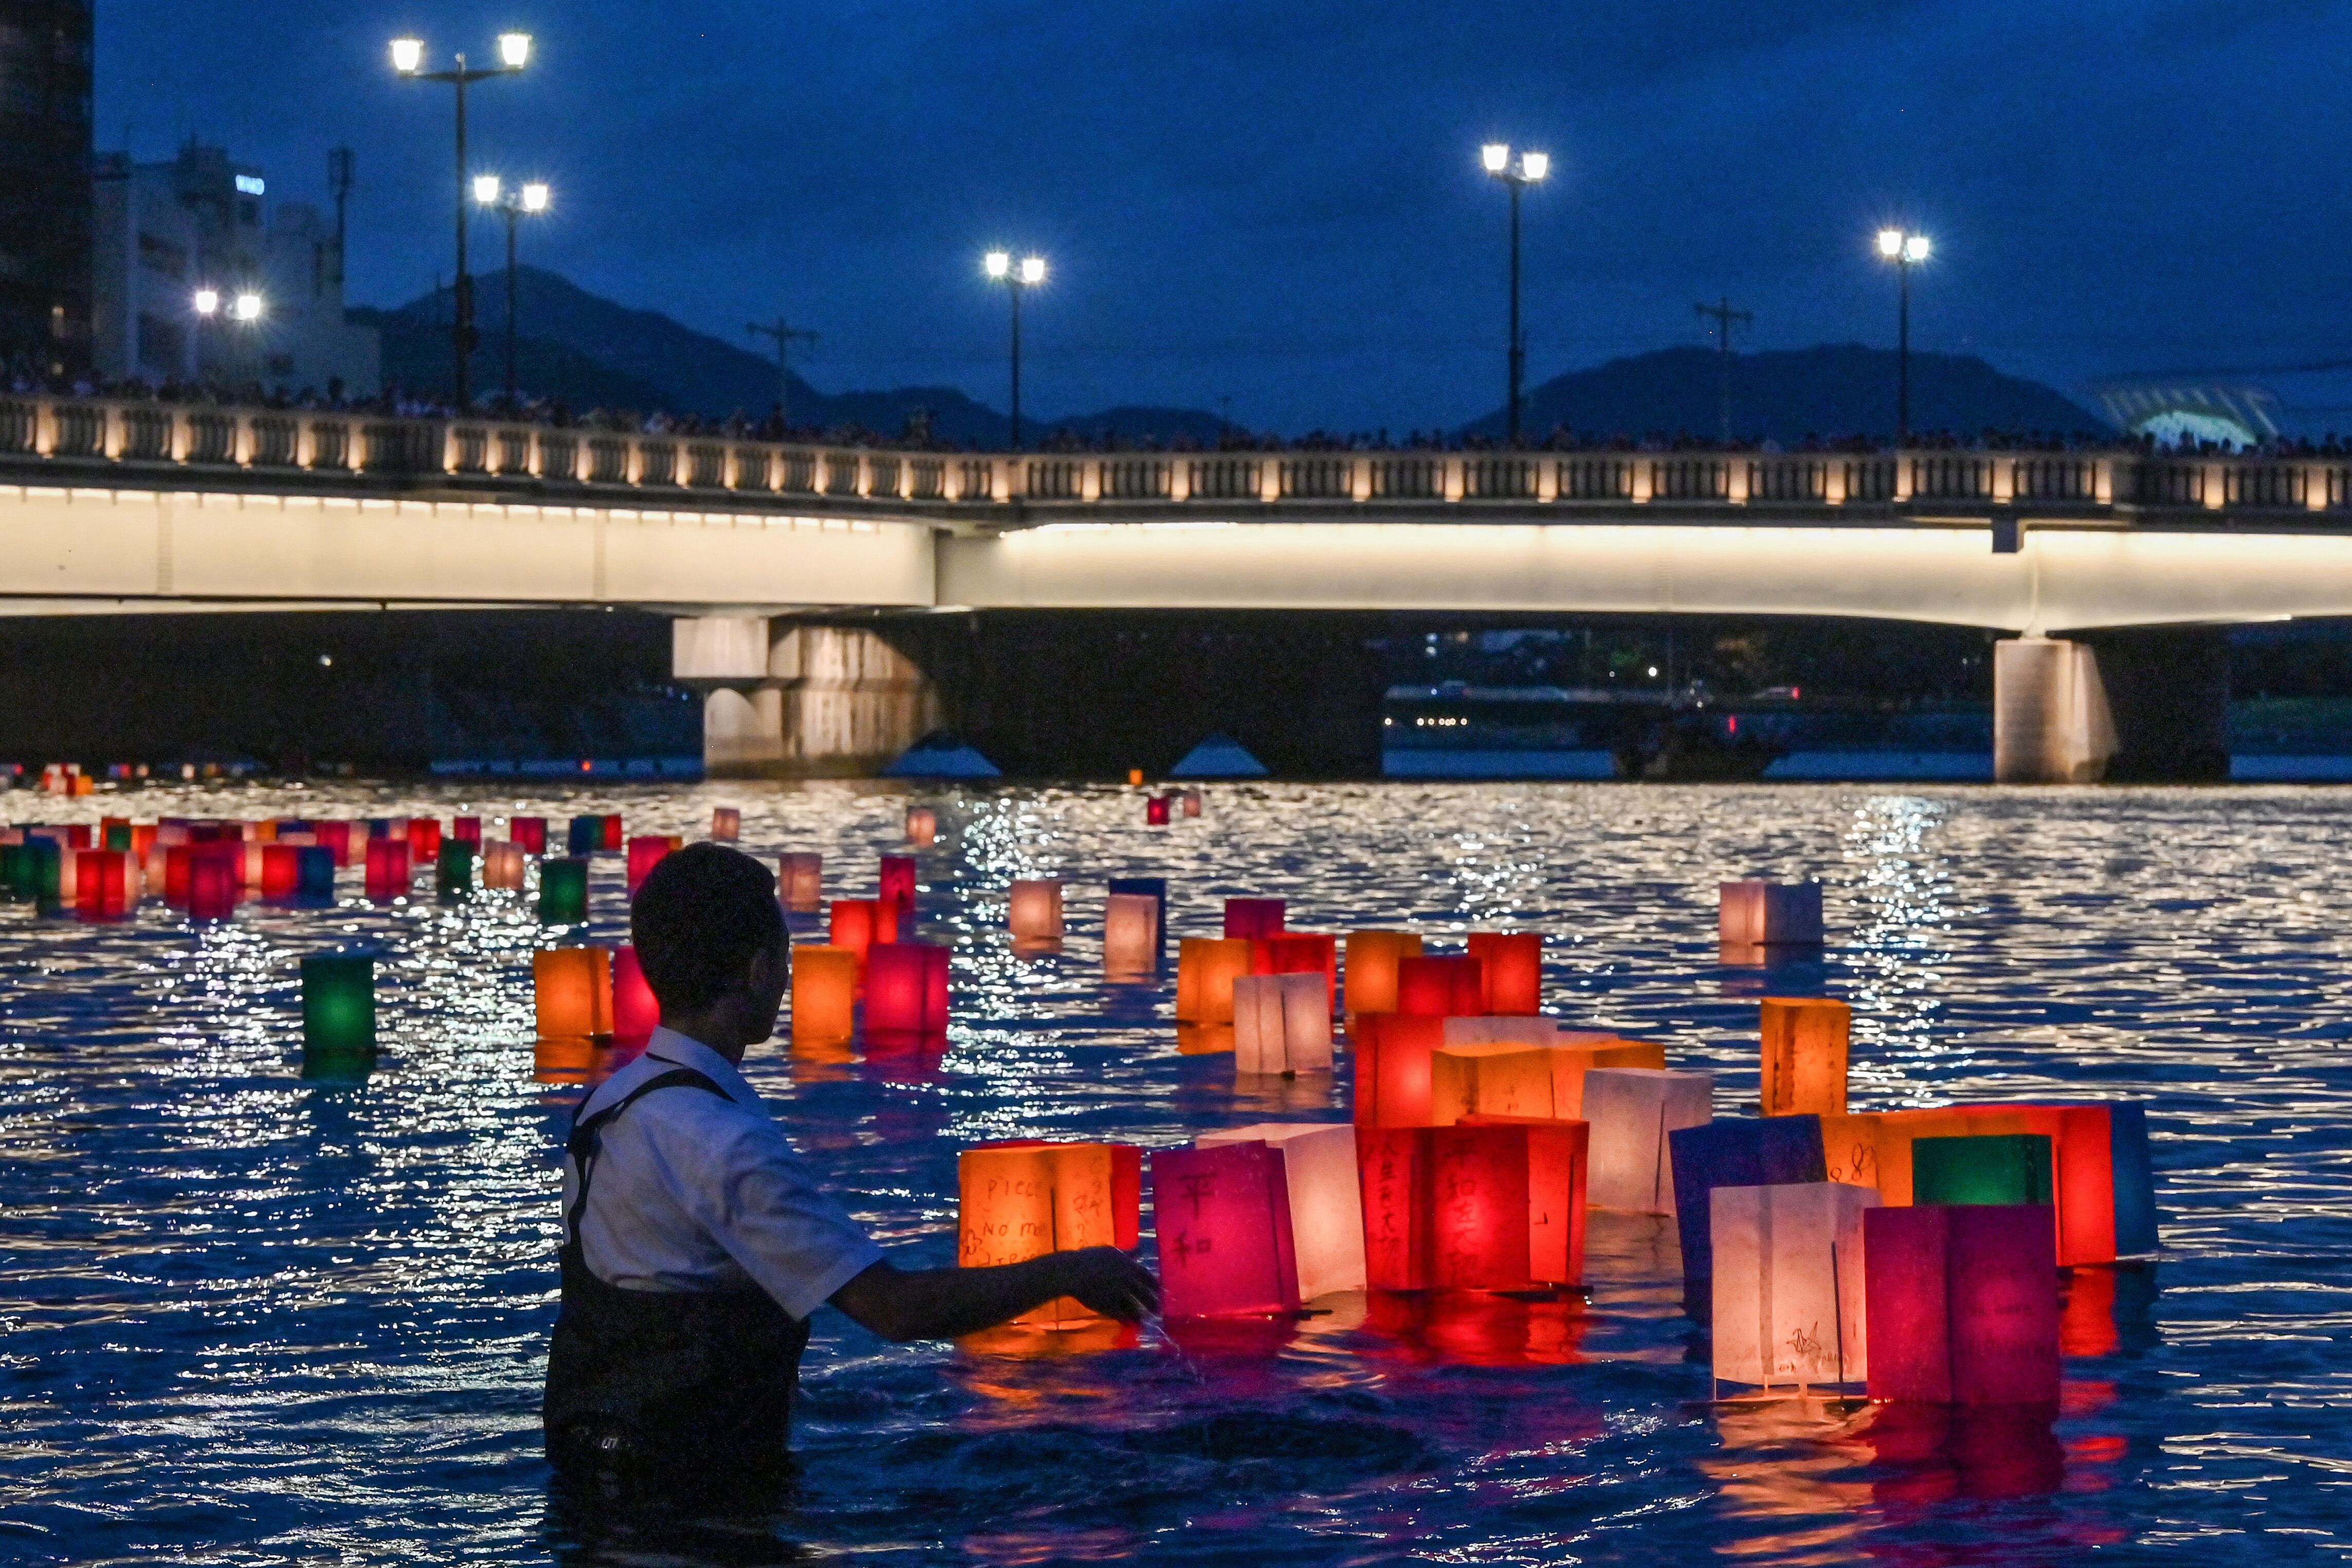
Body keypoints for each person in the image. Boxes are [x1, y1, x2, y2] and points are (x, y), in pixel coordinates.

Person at [543, 843, 1157, 1491]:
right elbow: (893, 1308)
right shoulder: (723, 1140)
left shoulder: (609, 1103)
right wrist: (1068, 1270)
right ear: (756, 970)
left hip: (590, 1465)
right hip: (689, 1489)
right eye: (783, 959)